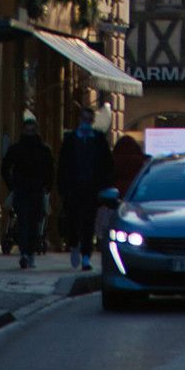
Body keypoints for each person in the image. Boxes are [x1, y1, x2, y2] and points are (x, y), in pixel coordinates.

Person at [58, 108, 113, 271]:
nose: (86, 121)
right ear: (80, 119)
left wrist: (105, 185)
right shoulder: (70, 140)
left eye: (89, 119)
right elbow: (62, 165)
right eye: (84, 118)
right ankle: (74, 245)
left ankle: (86, 256)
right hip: (73, 188)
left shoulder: (99, 140)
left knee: (88, 223)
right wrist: (62, 187)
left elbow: (107, 164)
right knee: (73, 221)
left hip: (91, 189)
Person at [1, 118, 55, 269]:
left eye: (32, 130)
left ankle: (28, 253)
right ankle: (26, 253)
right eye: (28, 130)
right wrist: (12, 185)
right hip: (24, 190)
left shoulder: (42, 149)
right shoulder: (21, 149)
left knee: (33, 222)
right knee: (25, 221)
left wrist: (47, 187)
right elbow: (5, 167)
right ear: (23, 130)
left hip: (35, 191)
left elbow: (50, 170)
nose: (30, 133)